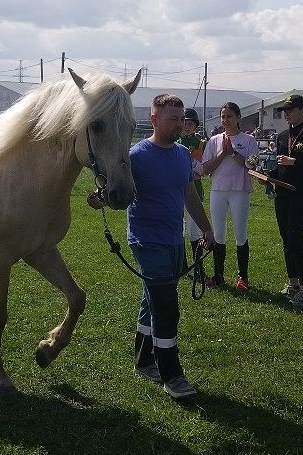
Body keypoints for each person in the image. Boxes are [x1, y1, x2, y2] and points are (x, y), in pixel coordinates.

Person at [89, 94, 214, 399]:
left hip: (173, 240)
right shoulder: (136, 156)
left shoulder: (184, 156)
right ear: (155, 119)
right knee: (166, 306)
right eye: (173, 118)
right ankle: (172, 375)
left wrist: (207, 229)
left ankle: (144, 360)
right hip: (146, 241)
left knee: (152, 301)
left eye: (182, 118)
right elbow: (117, 192)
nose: (180, 124)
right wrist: (100, 199)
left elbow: (189, 196)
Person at [269, 95, 303, 305]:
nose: (286, 113)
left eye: (290, 110)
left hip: (300, 194)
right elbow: (280, 166)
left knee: (295, 240)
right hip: (281, 192)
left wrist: (296, 162)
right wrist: (268, 175)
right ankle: (292, 283)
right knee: (286, 240)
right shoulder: (283, 136)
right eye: (285, 110)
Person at [201, 102, 258, 291]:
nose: (226, 120)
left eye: (230, 116)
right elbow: (205, 168)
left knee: (240, 234)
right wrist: (223, 153)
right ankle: (218, 275)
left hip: (239, 191)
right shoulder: (214, 140)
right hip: (218, 191)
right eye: (223, 117)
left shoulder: (248, 141)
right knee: (218, 234)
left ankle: (243, 277)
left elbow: (252, 165)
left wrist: (233, 152)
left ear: (238, 118)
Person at [177, 108, 206, 272]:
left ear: (196, 126)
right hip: (177, 188)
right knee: (178, 227)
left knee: (195, 229)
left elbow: (203, 168)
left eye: (190, 123)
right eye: (184, 123)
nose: (187, 126)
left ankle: (198, 266)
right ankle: (181, 264)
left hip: (195, 188)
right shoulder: (175, 141)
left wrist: (193, 165)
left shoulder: (201, 143)